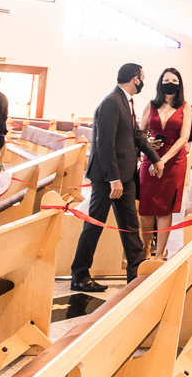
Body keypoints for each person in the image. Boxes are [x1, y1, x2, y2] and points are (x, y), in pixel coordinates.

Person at [70, 63, 164, 292]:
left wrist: (155, 158)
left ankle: (135, 274)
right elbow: (104, 144)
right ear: (135, 79)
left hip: (125, 175)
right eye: (142, 78)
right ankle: (79, 275)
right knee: (95, 224)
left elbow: (135, 135)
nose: (143, 82)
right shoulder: (112, 102)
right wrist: (113, 179)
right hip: (107, 178)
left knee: (130, 225)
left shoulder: (126, 101)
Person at [138, 68, 191, 261]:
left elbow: (184, 137)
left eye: (174, 80)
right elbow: (140, 132)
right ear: (160, 82)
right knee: (146, 207)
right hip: (150, 159)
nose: (170, 83)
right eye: (166, 79)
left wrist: (163, 160)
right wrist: (147, 146)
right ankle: (145, 249)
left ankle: (159, 253)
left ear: (179, 84)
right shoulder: (150, 105)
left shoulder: (186, 107)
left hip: (173, 161)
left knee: (164, 207)